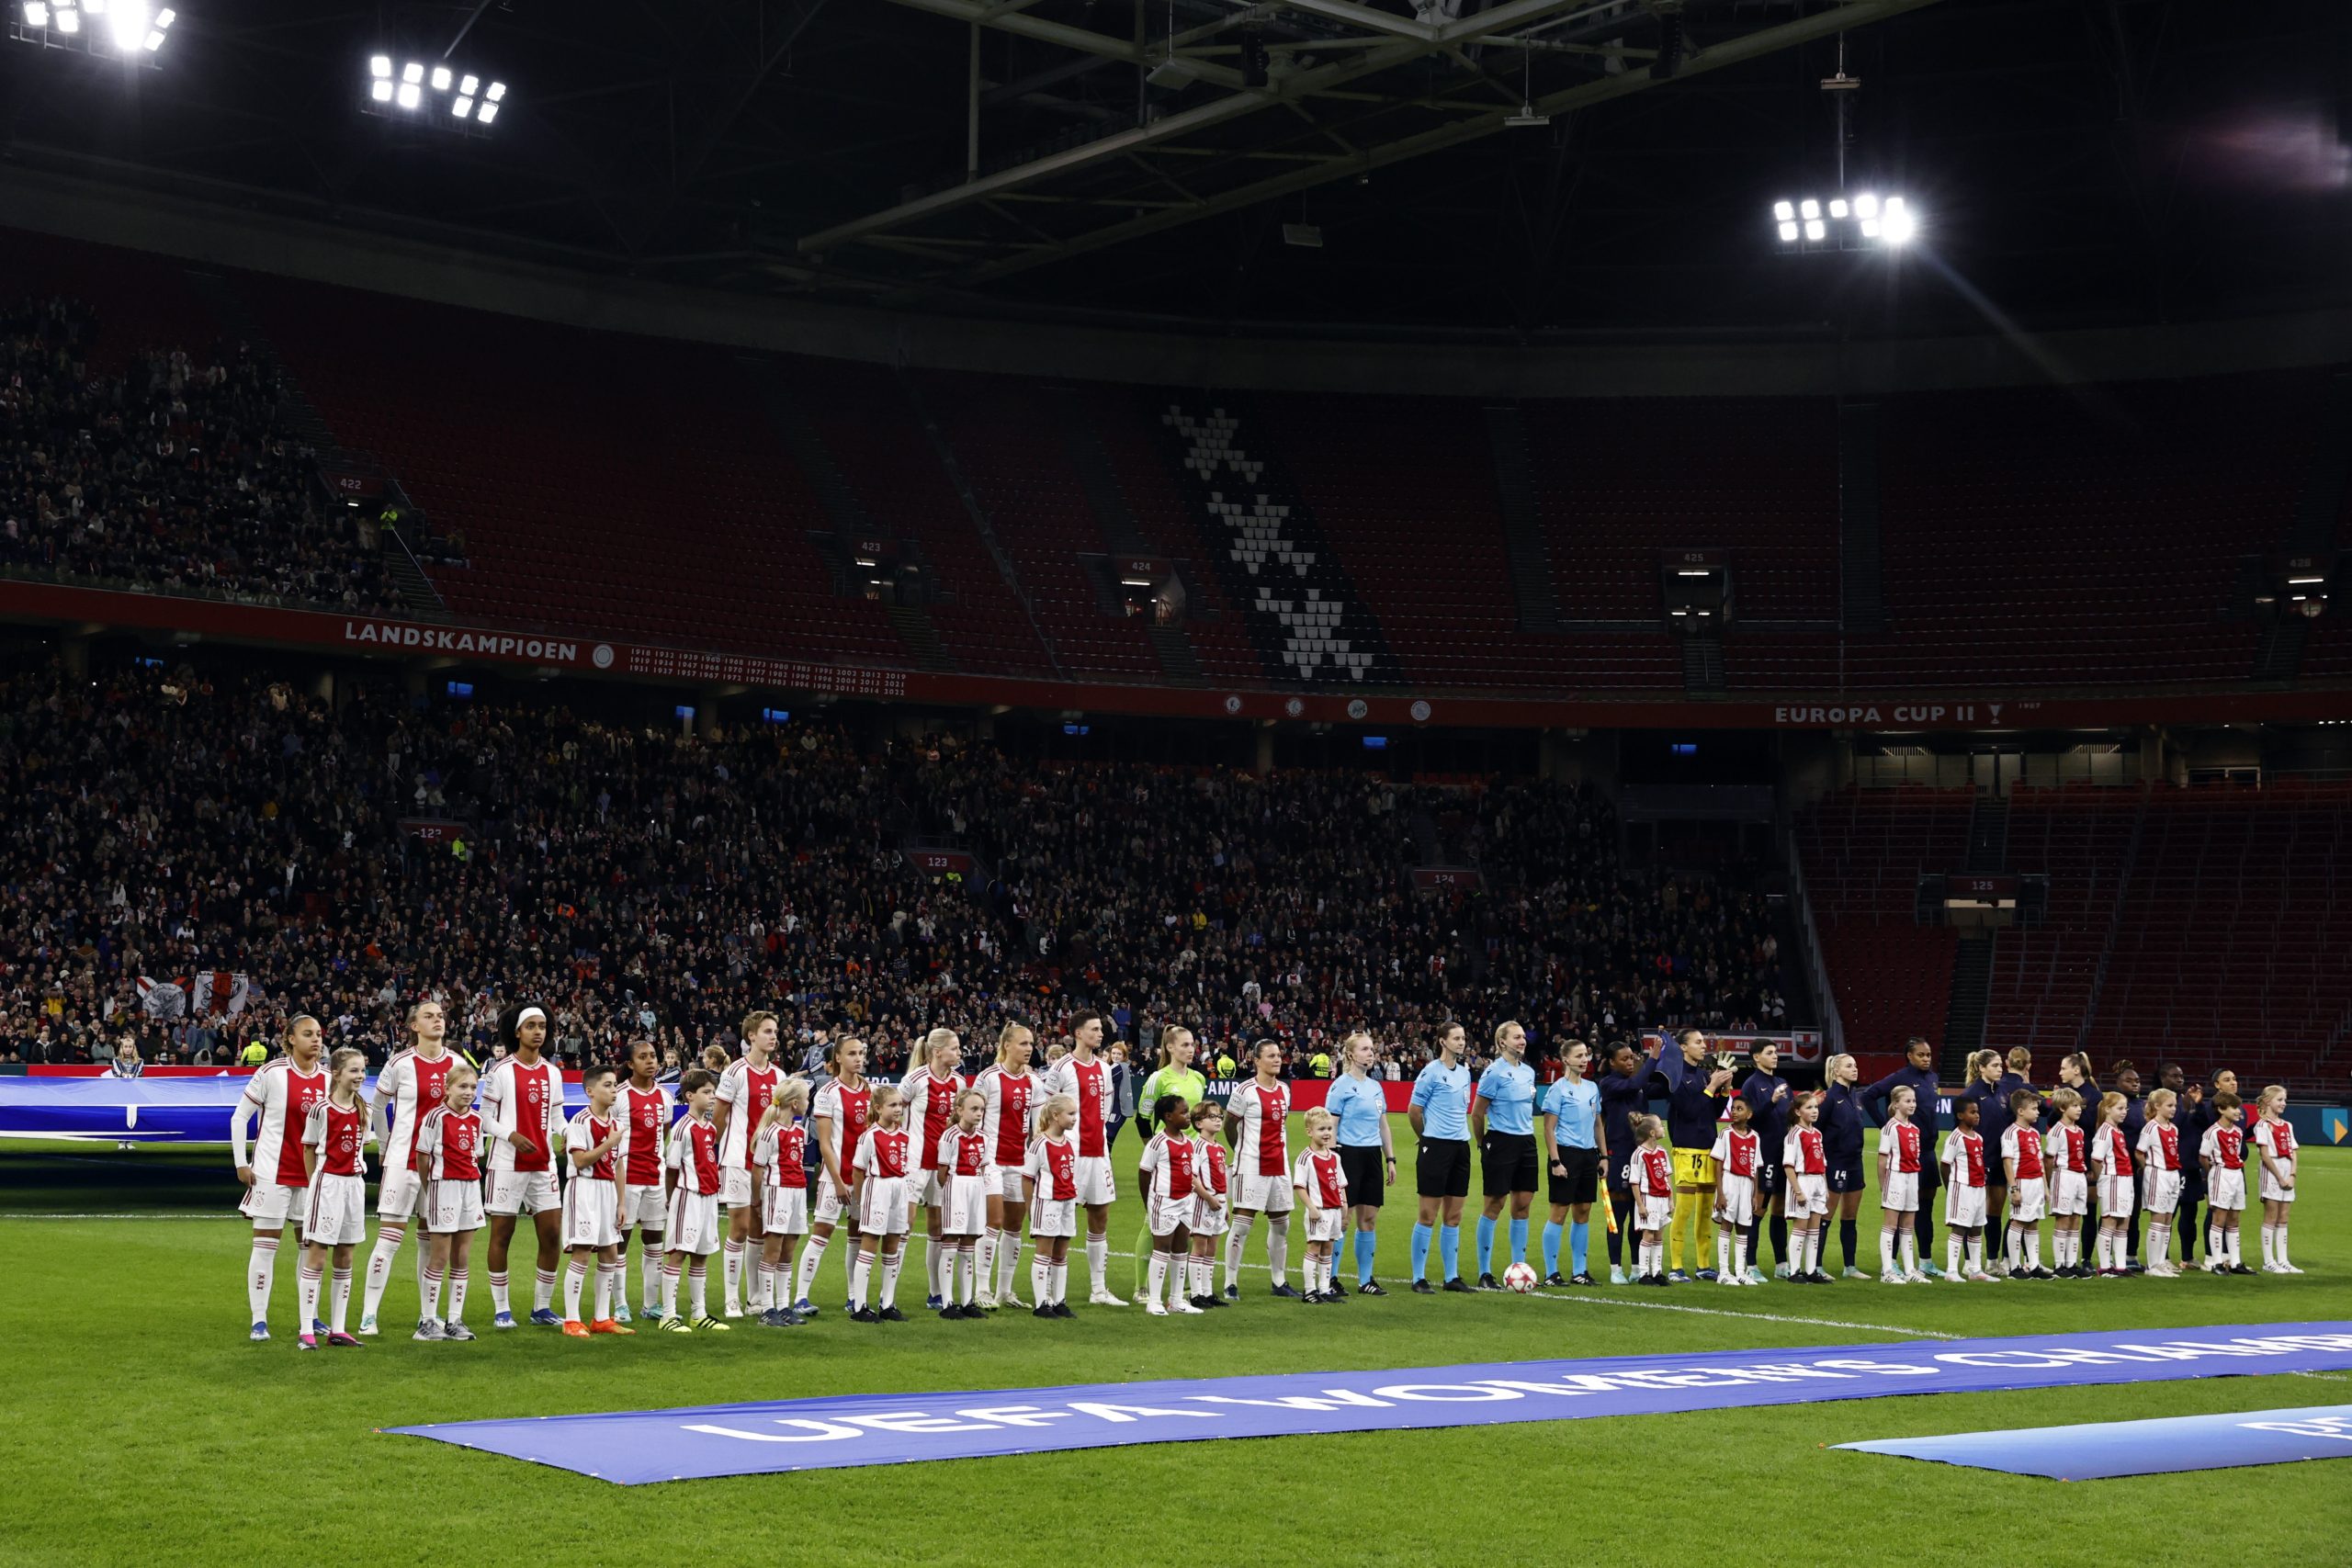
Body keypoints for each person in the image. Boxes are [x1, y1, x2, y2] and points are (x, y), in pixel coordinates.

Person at [359, 998, 457, 1336]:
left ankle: (428, 1316)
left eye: (441, 1016)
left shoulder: (456, 1063)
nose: (437, 1021)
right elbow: (377, 1105)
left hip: (442, 1168)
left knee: (431, 1243)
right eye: (429, 1016)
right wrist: (385, 1146)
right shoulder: (399, 1063)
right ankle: (369, 1315)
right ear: (414, 1026)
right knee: (389, 1239)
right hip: (403, 1161)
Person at [231, 1013, 330, 1341]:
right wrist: (241, 1162)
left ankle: (311, 1316)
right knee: (266, 1246)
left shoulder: (329, 1079)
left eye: (318, 1034)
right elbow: (239, 1117)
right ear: (290, 1038)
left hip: (312, 1176)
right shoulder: (271, 1073)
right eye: (307, 1034)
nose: (315, 1040)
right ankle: (259, 1320)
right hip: (272, 1173)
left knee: (310, 1248)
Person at [480, 1002, 566, 1329]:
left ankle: (541, 1308)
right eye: (530, 1026)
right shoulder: (500, 1071)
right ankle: (502, 1309)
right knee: (503, 1234)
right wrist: (511, 1135)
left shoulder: (553, 1072)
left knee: (552, 1233)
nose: (537, 1031)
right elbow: (485, 1118)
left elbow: (557, 1117)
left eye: (541, 1026)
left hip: (542, 1166)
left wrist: (570, 1135)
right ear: (517, 1032)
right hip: (505, 1165)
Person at [1039, 1010, 1125, 1306]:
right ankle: (1050, 1290)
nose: (1100, 1034)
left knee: (1099, 1218)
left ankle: (1099, 1290)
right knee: (1060, 1221)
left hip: (1098, 1154)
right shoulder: (1061, 1068)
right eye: (1094, 1029)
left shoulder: (1104, 1068)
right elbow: (1043, 1108)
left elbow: (1106, 1108)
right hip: (1069, 1155)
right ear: (1078, 1033)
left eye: (1101, 1029)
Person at [296, 1046, 373, 1349]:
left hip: (354, 1186)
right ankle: (306, 1330)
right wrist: (316, 1184)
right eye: (354, 1070)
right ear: (337, 1074)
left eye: (363, 1070)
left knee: (346, 1255)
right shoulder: (321, 1109)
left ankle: (338, 1329)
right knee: (317, 1256)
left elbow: (361, 1146)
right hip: (327, 1185)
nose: (360, 1075)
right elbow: (308, 1149)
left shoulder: (362, 1108)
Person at [715, 1010, 784, 1319]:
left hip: (767, 1165)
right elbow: (718, 1117)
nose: (773, 1036)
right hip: (737, 1160)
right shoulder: (735, 1073)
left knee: (759, 1230)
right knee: (740, 1228)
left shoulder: (780, 1077)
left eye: (775, 1031)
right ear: (751, 1036)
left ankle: (755, 1298)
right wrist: (709, 1152)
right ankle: (731, 1298)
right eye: (767, 1031)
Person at [797, 1036, 874, 1316]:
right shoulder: (828, 1092)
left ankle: (854, 1297)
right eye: (852, 1053)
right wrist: (838, 1181)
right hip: (836, 1177)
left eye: (861, 1053)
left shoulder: (869, 1090)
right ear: (838, 1058)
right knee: (822, 1232)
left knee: (857, 1235)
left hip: (862, 1177)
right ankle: (801, 1297)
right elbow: (825, 1143)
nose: (858, 1058)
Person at [1130, 1025, 1209, 1297]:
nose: (1191, 1049)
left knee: (1188, 1220)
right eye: (1185, 1045)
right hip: (1166, 1159)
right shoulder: (1158, 1078)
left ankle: (1181, 1286)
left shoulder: (1199, 1078)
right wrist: (1154, 1150)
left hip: (1193, 1157)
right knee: (1152, 1222)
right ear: (1170, 1048)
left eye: (1192, 1044)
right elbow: (1142, 1117)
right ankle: (1142, 1287)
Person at [413, 1058, 486, 1341]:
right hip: (443, 1187)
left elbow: (476, 1155)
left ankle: (454, 1320)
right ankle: (428, 1321)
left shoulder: (478, 1120)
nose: (468, 1092)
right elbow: (422, 1156)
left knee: (462, 1257)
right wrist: (429, 1186)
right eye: (462, 1086)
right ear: (447, 1088)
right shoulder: (435, 1117)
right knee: (439, 1256)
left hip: (470, 1187)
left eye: (472, 1087)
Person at [558, 1065, 631, 1336]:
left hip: (608, 1191)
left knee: (610, 1251)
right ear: (590, 1091)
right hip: (584, 1188)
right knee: (583, 1250)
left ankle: (601, 1317)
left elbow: (619, 1166)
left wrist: (621, 1203)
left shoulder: (617, 1125)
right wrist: (609, 1143)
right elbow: (579, 1160)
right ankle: (571, 1319)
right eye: (608, 1085)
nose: (614, 1090)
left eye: (615, 1085)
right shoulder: (579, 1122)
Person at [1862, 1036, 1943, 1279]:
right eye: (1921, 1055)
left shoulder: (1932, 1078)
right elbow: (1867, 1096)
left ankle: (1925, 1261)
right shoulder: (1899, 1078)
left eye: (1928, 1055)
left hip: (1927, 1154)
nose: (1926, 1059)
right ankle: (1893, 1263)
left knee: (1924, 1209)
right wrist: (1884, 1125)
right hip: (1903, 1157)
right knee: (1899, 1211)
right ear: (1910, 1056)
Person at [1224, 1038, 1298, 1300]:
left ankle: (1279, 1281)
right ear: (1256, 1060)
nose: (1277, 1060)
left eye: (1279, 1055)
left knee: (1281, 1225)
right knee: (1243, 1225)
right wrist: (1241, 1153)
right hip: (1251, 1165)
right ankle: (1230, 1283)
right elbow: (1228, 1125)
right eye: (1271, 1056)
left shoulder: (1285, 1090)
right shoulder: (1245, 1091)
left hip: (1279, 1165)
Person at [974, 1021, 1040, 1310]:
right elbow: (971, 1116)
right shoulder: (988, 1078)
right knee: (994, 1223)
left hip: (1019, 1161)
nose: (1029, 1049)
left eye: (1031, 1044)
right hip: (991, 1161)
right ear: (1007, 1046)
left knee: (1014, 1227)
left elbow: (1038, 1129)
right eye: (1023, 1043)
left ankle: (1005, 1291)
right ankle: (981, 1290)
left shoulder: (1035, 1082)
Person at [899, 1027, 965, 1312]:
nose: (959, 1052)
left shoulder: (960, 1084)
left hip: (942, 1165)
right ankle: (887, 1295)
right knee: (905, 1225)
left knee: (938, 1228)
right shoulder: (914, 1080)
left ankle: (935, 1293)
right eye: (954, 1048)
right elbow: (892, 1113)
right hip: (914, 1162)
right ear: (937, 1051)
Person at [659, 1068, 729, 1332]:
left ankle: (698, 1313)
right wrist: (670, 1198)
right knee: (679, 1253)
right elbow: (672, 1167)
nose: (712, 1097)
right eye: (707, 1092)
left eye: (713, 1092)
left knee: (702, 1255)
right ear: (690, 1095)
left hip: (709, 1198)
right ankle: (668, 1315)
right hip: (687, 1196)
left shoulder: (709, 1128)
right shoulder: (681, 1129)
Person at [1471, 1020, 1539, 1290]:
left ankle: (1518, 1268)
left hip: (1526, 1142)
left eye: (1523, 1037)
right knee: (1495, 1204)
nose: (1522, 1041)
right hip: (1500, 1141)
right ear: (1502, 1043)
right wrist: (1482, 1143)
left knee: (1522, 1204)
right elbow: (1477, 1113)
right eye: (1516, 1037)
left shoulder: (1529, 1072)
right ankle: (1484, 1272)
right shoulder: (1493, 1073)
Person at [1408, 1021, 1474, 1293]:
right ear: (1443, 1041)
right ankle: (1418, 1278)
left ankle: (1452, 1277)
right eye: (1456, 1038)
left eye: (1463, 1038)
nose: (1462, 1042)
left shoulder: (1465, 1073)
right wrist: (1426, 1139)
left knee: (1454, 1215)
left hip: (1461, 1146)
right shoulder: (1430, 1072)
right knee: (1428, 1214)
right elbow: (1414, 1111)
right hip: (1436, 1146)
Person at [1327, 1031, 1395, 1295]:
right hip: (1347, 1154)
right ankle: (1330, 1278)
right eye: (1365, 1049)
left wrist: (1390, 1158)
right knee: (1343, 1218)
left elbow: (1383, 1125)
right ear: (1351, 1054)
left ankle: (1365, 1280)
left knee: (1369, 1218)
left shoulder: (1376, 1086)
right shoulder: (1340, 1086)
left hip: (1372, 1156)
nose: (1371, 1053)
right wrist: (1332, 1160)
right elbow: (1331, 1125)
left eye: (1372, 1049)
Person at [615, 1037, 675, 1323]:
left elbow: (662, 1134)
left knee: (654, 1241)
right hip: (627, 1177)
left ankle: (651, 1304)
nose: (650, 1061)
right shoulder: (620, 1096)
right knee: (620, 1241)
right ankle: (620, 1304)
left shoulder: (665, 1096)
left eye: (653, 1056)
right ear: (630, 1064)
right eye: (643, 1057)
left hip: (655, 1177)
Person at [847, 1084, 914, 1323]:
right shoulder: (870, 1136)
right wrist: (860, 1200)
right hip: (878, 1188)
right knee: (870, 1245)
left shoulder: (905, 1135)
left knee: (893, 1246)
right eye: (892, 1105)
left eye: (900, 1105)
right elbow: (858, 1170)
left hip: (899, 1188)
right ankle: (860, 1306)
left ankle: (888, 1303)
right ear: (877, 1108)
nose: (898, 1109)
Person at [1539, 1039, 1602, 1288]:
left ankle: (1579, 1271)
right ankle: (1551, 1272)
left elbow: (1598, 1124)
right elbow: (1548, 1128)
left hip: (1588, 1154)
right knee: (1560, 1211)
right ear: (1565, 1060)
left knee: (1583, 1211)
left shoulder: (1592, 1088)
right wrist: (1556, 1160)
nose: (1584, 1059)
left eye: (1586, 1054)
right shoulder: (1558, 1089)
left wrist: (1603, 1156)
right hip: (1566, 1153)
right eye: (1578, 1055)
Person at [752, 1078, 814, 1325]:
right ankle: (767, 1309)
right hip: (778, 1192)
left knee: (788, 1252)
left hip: (797, 1193)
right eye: (806, 1099)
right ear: (795, 1103)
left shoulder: (800, 1131)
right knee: (773, 1252)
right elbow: (757, 1169)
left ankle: (783, 1306)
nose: (808, 1103)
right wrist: (756, 1200)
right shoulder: (770, 1133)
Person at [1136, 1093, 1203, 1316]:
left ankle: (1176, 1299)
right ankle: (1154, 1300)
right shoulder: (1158, 1142)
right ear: (1168, 1116)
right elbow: (1144, 1173)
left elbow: (1191, 1173)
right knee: (1162, 1249)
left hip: (1186, 1201)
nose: (1188, 1116)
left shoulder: (1189, 1143)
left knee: (1181, 1249)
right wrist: (1150, 1202)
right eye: (1183, 1112)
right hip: (1164, 1202)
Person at [1736, 1042, 1794, 1280]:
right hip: (1765, 1154)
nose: (1775, 1056)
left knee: (1779, 1210)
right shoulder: (1752, 1084)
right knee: (1758, 1209)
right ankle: (1750, 1264)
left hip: (1785, 1154)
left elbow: (1789, 1116)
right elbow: (1750, 1119)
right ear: (1756, 1057)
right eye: (1769, 1053)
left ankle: (1781, 1263)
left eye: (1776, 1052)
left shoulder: (1782, 1083)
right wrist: (1770, 1101)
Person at [1024, 1093, 1081, 1317]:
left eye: (1075, 1113)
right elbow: (1027, 1177)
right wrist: (1031, 1207)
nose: (1074, 1118)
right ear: (1055, 1116)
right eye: (1070, 1114)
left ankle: (1059, 1301)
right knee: (1044, 1253)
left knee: (1061, 1253)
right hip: (1047, 1202)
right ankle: (1041, 1304)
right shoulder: (1039, 1143)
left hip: (1067, 1202)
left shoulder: (1069, 1142)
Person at [1595, 1041, 1647, 1285]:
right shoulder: (1608, 1084)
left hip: (1640, 1157)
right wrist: (1654, 1058)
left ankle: (1637, 1266)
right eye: (1624, 1059)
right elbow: (1636, 1082)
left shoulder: (1636, 1087)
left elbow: (1664, 1089)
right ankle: (1616, 1267)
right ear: (1612, 1062)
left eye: (1632, 1058)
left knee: (1640, 1216)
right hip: (1618, 1156)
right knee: (1618, 1215)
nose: (1630, 1062)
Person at [1956, 1049, 2013, 1273]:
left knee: (1995, 1212)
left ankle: (1991, 1261)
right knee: (1972, 1213)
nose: (2000, 1069)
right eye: (1995, 1065)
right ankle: (1970, 1262)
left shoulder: (2003, 1092)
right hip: (1978, 1161)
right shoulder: (1971, 1094)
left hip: (1999, 1160)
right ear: (1981, 1068)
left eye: (2001, 1065)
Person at [936, 1089, 990, 1319]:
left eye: (981, 1109)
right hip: (956, 1186)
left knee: (969, 1248)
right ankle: (948, 1303)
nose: (979, 1114)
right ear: (959, 1110)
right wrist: (952, 1191)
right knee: (950, 1246)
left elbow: (984, 1166)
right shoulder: (950, 1136)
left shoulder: (985, 1138)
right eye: (974, 1109)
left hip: (976, 1187)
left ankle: (968, 1301)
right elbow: (942, 1172)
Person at [1818, 1053, 1871, 1278]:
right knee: (1825, 1216)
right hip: (1835, 1162)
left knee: (1850, 1216)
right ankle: (1816, 1265)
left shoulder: (1855, 1097)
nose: (1855, 1069)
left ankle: (1850, 1267)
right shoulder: (1830, 1097)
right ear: (1837, 1071)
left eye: (1855, 1065)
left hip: (1855, 1163)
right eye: (1849, 1066)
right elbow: (1817, 1130)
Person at [1294, 1108, 1350, 1304]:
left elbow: (1340, 1182)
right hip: (1319, 1210)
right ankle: (1309, 1291)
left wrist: (1344, 1203)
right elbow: (1299, 1186)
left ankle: (1324, 1289)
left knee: (1328, 1247)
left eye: (1329, 1129)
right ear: (1310, 1131)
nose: (1326, 1133)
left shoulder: (1335, 1157)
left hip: (1334, 1210)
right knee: (1314, 1247)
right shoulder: (1305, 1157)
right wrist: (1311, 1207)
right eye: (1321, 1129)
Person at [1939, 1094, 1994, 1284]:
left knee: (1977, 1228)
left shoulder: (1978, 1137)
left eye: (1977, 1112)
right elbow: (1945, 1164)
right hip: (1962, 1187)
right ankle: (1952, 1270)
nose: (1977, 1115)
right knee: (1959, 1227)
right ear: (1960, 1115)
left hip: (1979, 1188)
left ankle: (1975, 1269)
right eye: (1972, 1112)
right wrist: (1951, 1188)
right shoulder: (1955, 1137)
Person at [1709, 1096, 1762, 1287]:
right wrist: (1720, 1193)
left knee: (1743, 1227)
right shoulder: (1725, 1134)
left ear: (1749, 1114)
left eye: (1740, 1109)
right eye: (1733, 1108)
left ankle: (1740, 1271)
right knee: (1727, 1225)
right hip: (1730, 1181)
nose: (1735, 1112)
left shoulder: (1755, 1137)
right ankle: (1723, 1272)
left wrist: (1755, 1194)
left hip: (1746, 1185)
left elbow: (1755, 1167)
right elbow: (1718, 1164)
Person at [1877, 1084, 1928, 1283]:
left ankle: (1909, 1270)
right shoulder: (1890, 1128)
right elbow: (1882, 1159)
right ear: (1896, 1104)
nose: (1912, 1104)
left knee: (1908, 1226)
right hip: (1895, 1177)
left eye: (1914, 1100)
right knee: (1890, 1225)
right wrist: (1883, 1185)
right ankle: (1887, 1271)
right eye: (1908, 1101)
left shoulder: (1914, 1129)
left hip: (1912, 1177)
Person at [1999, 1089, 2052, 1279]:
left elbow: (2040, 1162)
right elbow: (2007, 1162)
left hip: (2037, 1182)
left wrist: (2045, 1187)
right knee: (2018, 1221)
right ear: (2020, 1111)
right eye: (2034, 1108)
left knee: (2033, 1223)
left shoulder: (2035, 1133)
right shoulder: (2011, 1133)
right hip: (2022, 1181)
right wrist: (2013, 1188)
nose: (2038, 1112)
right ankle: (2014, 1267)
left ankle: (2034, 1264)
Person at [2199, 1090, 2251, 1275]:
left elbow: (2236, 1153)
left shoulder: (2237, 1132)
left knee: (2234, 1219)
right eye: (2234, 1108)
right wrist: (2213, 1172)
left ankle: (2235, 1263)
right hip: (2221, 1174)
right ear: (2221, 1109)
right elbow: (2203, 1157)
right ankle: (2216, 1263)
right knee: (2219, 1218)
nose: (2239, 1111)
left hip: (2237, 1175)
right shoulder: (2212, 1132)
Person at [2135, 1087, 2185, 1279]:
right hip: (2158, 1174)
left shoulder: (2173, 1128)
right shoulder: (2151, 1127)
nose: (2174, 1109)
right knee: (2157, 1219)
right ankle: (2152, 1264)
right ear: (2157, 1106)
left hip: (2173, 1174)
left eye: (2175, 1105)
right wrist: (2148, 1168)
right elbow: (2139, 1152)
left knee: (2167, 1220)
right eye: (2169, 1105)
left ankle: (2161, 1261)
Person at [1781, 1089, 1831, 1283]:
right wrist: (1798, 1191)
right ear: (1797, 1112)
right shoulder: (1794, 1134)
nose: (1814, 1111)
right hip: (1802, 1181)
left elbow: (1822, 1163)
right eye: (1809, 1107)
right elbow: (1788, 1165)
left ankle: (1811, 1271)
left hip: (1818, 1181)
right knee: (1800, 1228)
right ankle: (1794, 1271)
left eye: (1816, 1107)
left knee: (1814, 1230)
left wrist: (1825, 1186)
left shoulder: (1817, 1133)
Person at [1187, 1099, 1231, 1310]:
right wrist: (1208, 1197)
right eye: (1211, 1117)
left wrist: (1225, 1204)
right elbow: (1192, 1177)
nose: (1217, 1120)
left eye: (1219, 1116)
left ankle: (1208, 1291)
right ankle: (1196, 1293)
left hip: (1218, 1202)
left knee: (1212, 1248)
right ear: (1198, 1123)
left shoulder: (1220, 1148)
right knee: (1200, 1246)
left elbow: (1222, 1177)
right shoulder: (1197, 1147)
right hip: (1203, 1202)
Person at [2166, 1062, 2211, 1269]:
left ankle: (2187, 1257)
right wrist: (2185, 1105)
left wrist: (2199, 1104)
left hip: (2192, 1166)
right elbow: (2174, 1127)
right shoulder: (2165, 1101)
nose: (2180, 1079)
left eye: (2182, 1075)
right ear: (2163, 1078)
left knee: (2190, 1214)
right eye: (2174, 1076)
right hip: (2174, 1166)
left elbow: (2205, 1125)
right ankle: (2163, 1258)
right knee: (2168, 1214)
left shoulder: (2188, 1101)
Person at [2043, 1088, 2091, 1277]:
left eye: (2080, 1105)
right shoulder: (2057, 1131)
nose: (2079, 1109)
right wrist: (2047, 1183)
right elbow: (2048, 1158)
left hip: (2079, 1176)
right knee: (2063, 1219)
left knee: (2076, 1219)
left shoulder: (2079, 1130)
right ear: (2063, 1108)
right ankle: (2059, 1264)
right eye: (2074, 1106)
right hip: (2064, 1176)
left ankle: (2071, 1263)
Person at [2252, 1085, 2298, 1273]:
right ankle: (2269, 1261)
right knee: (2271, 1216)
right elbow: (2265, 1155)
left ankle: (2283, 1259)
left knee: (2284, 1217)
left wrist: (2292, 1175)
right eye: (2279, 1100)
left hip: (2287, 1171)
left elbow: (2294, 1152)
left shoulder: (2287, 1125)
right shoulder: (2262, 1125)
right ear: (2268, 1101)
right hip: (2272, 1173)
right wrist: (2280, 1177)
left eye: (2284, 1100)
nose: (2283, 1103)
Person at [2090, 1091, 2136, 1277]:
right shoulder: (2105, 1131)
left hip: (2125, 1178)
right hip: (2113, 1179)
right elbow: (2096, 1159)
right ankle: (2104, 1266)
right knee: (2109, 1222)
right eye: (2120, 1108)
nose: (2124, 1112)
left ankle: (2120, 1266)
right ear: (2107, 1109)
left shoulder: (2117, 1130)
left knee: (2123, 1222)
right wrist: (2103, 1179)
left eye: (2126, 1108)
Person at [1630, 1116, 1674, 1286]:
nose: (1664, 1128)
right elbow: (1634, 1182)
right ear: (1652, 1133)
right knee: (1648, 1235)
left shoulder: (1662, 1151)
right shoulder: (1639, 1154)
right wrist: (1640, 1205)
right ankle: (1643, 1274)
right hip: (1648, 1199)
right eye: (1661, 1126)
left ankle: (1657, 1272)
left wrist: (1671, 1198)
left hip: (1663, 1198)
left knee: (1659, 1235)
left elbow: (1666, 1176)